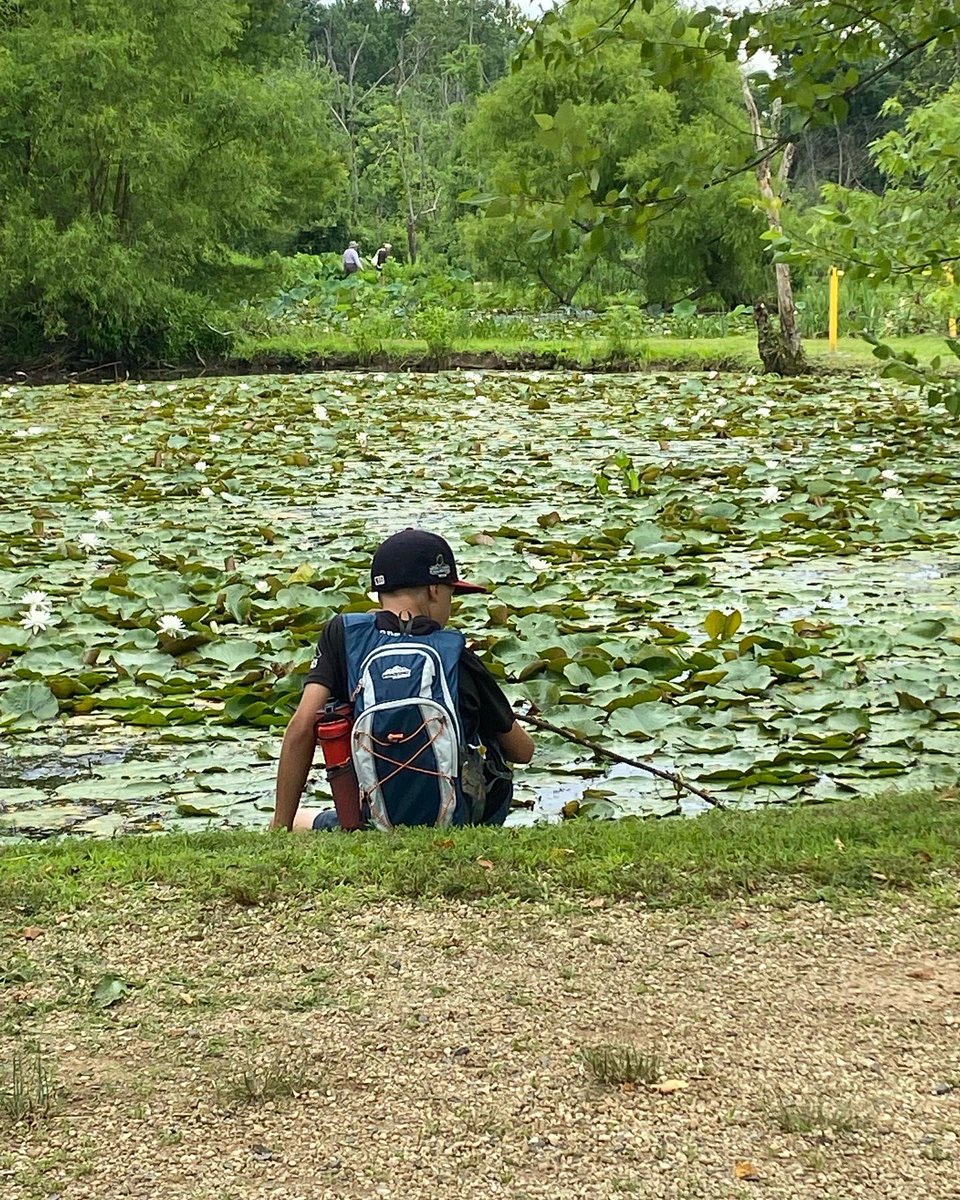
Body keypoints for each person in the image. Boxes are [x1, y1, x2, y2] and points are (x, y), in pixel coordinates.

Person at [271, 529, 534, 832]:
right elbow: (522, 752)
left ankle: (296, 826)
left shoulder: (342, 636)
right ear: (435, 589)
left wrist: (280, 827)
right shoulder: (454, 654)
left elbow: (301, 728)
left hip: (370, 822)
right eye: (451, 592)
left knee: (302, 819)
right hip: (454, 825)